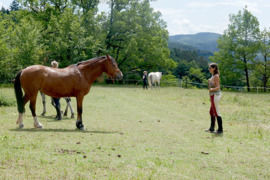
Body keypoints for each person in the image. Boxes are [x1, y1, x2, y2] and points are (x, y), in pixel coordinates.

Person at [206, 63, 223, 134]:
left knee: (216, 112)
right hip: (212, 95)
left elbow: (218, 87)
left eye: (210, 68)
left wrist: (211, 89)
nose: (209, 69)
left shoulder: (216, 76)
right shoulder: (212, 76)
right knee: (211, 111)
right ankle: (211, 128)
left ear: (214, 68)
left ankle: (220, 130)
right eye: (209, 68)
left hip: (216, 95)